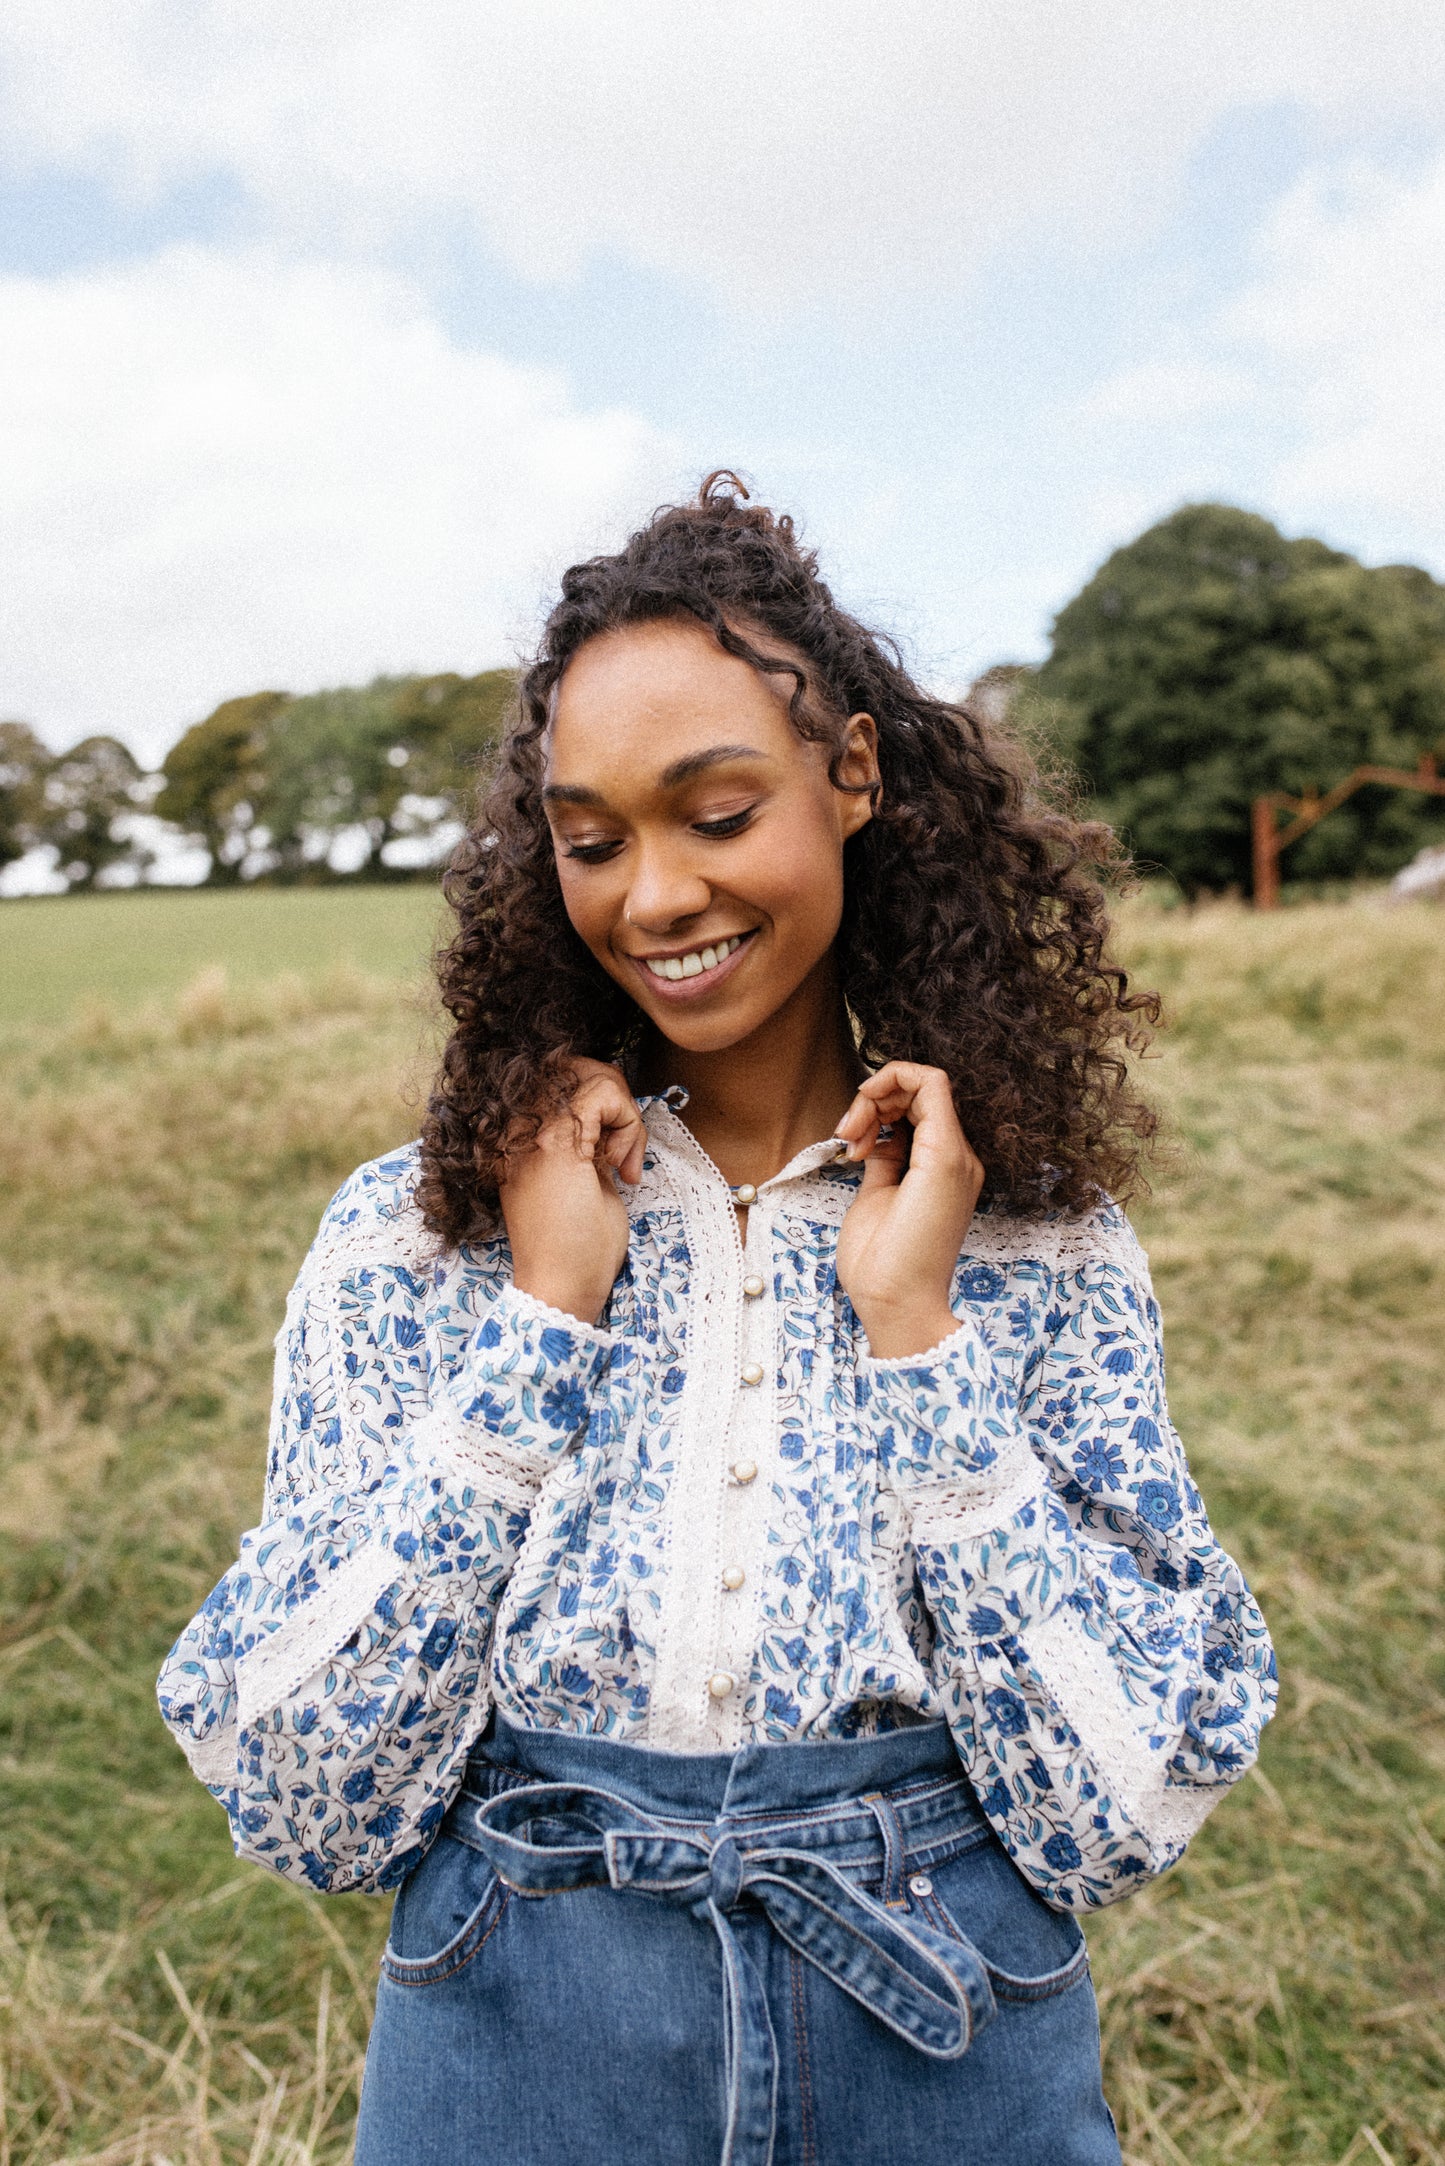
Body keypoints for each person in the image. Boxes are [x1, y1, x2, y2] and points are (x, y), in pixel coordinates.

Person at [159, 475, 1276, 2166]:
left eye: (716, 810)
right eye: (592, 838)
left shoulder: (1037, 1240)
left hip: (938, 2026)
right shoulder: (419, 1231)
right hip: (516, 2030)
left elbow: (1115, 1810)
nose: (657, 894)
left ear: (852, 778)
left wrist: (919, 1336)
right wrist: (546, 1315)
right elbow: (311, 1800)